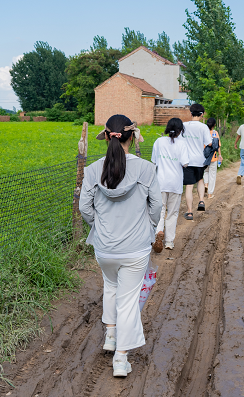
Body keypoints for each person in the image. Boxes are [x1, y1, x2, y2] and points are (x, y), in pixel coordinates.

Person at [79, 114, 162, 378]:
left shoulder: (93, 170)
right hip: (136, 247)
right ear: (132, 136)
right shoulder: (146, 169)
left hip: (105, 248)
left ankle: (111, 336)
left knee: (111, 286)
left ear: (106, 137)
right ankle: (121, 359)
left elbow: (84, 208)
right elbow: (157, 206)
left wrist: (99, 226)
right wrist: (147, 225)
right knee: (128, 300)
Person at [151, 118, 189, 250]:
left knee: (159, 210)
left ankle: (158, 231)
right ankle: (168, 242)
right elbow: (185, 163)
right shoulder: (182, 144)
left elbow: (153, 162)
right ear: (180, 130)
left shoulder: (159, 141)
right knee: (172, 212)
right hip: (175, 183)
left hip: (160, 182)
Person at [181, 103, 212, 220]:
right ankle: (201, 201)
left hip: (187, 160)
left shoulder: (184, 126)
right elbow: (209, 143)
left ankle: (189, 212)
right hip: (200, 160)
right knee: (200, 180)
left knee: (189, 186)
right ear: (202, 115)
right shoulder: (203, 127)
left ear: (190, 113)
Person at [203, 117, 221, 199]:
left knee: (206, 172)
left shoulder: (203, 133)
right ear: (214, 125)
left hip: (204, 157)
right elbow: (218, 146)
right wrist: (220, 155)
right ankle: (210, 194)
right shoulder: (215, 133)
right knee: (212, 175)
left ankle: (206, 184)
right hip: (213, 157)